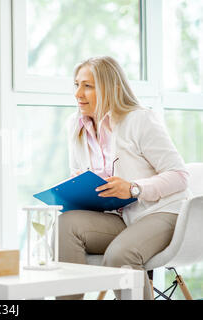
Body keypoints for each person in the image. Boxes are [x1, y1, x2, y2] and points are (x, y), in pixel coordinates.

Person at [57, 56, 191, 300]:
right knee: (65, 225)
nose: (78, 93)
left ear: (112, 88)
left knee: (120, 256)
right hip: (117, 217)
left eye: (88, 85)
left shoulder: (139, 119)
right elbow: (77, 173)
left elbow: (180, 175)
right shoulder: (74, 125)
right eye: (76, 84)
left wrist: (134, 188)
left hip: (161, 212)